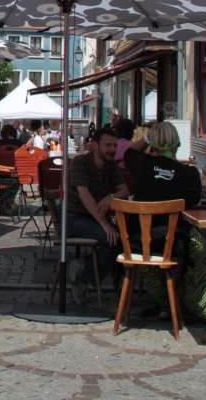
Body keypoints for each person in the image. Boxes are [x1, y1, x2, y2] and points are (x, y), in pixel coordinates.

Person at [123, 121, 206, 322]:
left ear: (153, 143)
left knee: (152, 262)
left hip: (140, 241)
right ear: (177, 143)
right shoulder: (189, 174)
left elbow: (129, 152)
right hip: (174, 239)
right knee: (201, 253)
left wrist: (149, 137)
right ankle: (202, 306)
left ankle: (166, 304)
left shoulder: (141, 165)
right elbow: (193, 201)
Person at [67, 127, 130, 297]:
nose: (112, 149)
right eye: (107, 145)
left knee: (125, 237)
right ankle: (84, 277)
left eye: (114, 145)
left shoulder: (111, 165)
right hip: (73, 218)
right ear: (95, 145)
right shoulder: (80, 162)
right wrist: (104, 225)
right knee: (114, 239)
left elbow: (124, 190)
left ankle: (84, 270)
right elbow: (84, 195)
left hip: (94, 218)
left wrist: (110, 197)